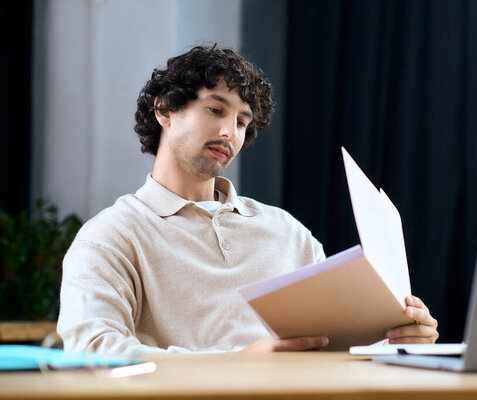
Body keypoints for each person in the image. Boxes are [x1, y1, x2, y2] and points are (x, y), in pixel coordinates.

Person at [57, 44, 439, 355]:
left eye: (241, 121)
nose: (229, 132)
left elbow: (332, 345)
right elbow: (92, 351)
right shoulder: (109, 237)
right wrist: (239, 363)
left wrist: (396, 339)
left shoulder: (287, 232)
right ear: (165, 110)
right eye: (215, 110)